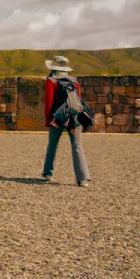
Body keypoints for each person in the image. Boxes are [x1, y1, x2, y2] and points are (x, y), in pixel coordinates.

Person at [42, 56, 91, 186]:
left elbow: (49, 103)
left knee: (52, 145)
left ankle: (48, 173)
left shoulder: (50, 81)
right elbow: (78, 101)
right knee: (77, 147)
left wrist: (48, 120)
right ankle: (83, 179)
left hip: (58, 117)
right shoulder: (74, 82)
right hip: (74, 117)